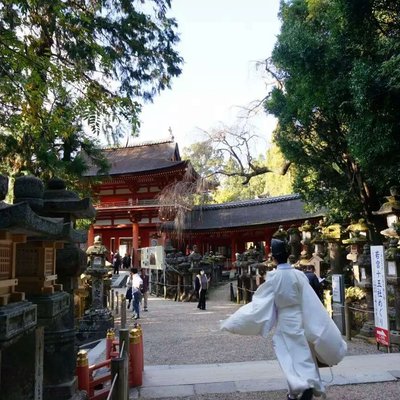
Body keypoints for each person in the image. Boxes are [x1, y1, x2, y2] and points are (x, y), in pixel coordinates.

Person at [221, 238, 347, 400]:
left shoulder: (273, 277)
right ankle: (305, 386)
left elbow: (260, 303)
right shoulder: (298, 275)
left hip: (285, 320)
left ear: (273, 257)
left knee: (287, 355)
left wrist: (235, 321)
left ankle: (300, 387)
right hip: (300, 318)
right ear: (288, 255)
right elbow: (310, 300)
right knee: (304, 353)